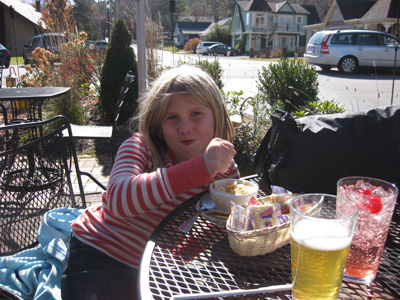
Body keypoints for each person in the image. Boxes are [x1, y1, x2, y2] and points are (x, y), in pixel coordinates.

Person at [61, 65, 239, 299]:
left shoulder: (225, 173)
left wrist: (176, 257)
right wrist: (200, 168)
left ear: (217, 115)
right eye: (172, 117)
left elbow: (219, 226)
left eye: (196, 114)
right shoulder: (140, 147)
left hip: (151, 267)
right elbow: (117, 201)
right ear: (158, 125)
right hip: (98, 252)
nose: (185, 128)